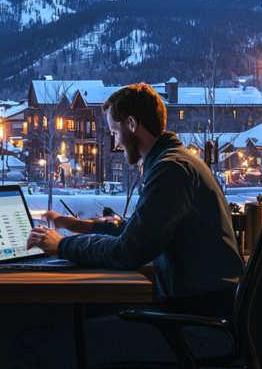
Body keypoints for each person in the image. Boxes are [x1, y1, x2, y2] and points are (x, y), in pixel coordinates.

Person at [24, 84, 245, 365]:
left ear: (131, 124)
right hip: (205, 313)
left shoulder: (170, 170)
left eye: (115, 131)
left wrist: (63, 245)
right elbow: (145, 229)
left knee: (33, 347)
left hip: (198, 324)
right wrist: (83, 226)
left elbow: (129, 251)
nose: (115, 142)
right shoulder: (178, 161)